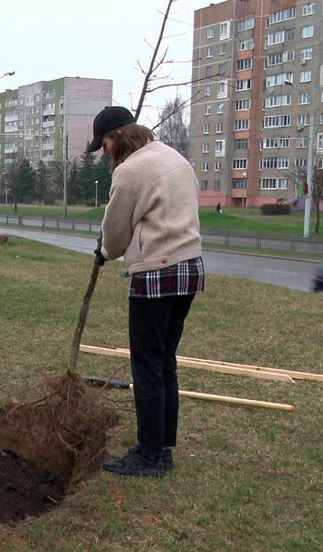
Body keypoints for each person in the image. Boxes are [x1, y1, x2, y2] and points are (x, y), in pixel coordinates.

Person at [87, 107, 205, 477]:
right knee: (165, 362)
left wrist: (105, 250)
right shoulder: (174, 158)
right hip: (190, 269)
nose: (104, 151)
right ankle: (162, 448)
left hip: (157, 273)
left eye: (104, 143)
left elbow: (116, 230)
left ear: (117, 136)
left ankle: (149, 456)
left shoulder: (131, 170)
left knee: (147, 367)